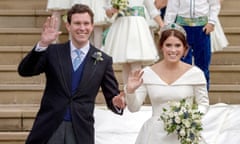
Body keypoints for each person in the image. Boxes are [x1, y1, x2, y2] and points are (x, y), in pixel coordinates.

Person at [18, 4, 125, 144]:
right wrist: (42, 44)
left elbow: (112, 97)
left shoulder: (103, 61)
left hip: (80, 130)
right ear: (68, 26)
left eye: (86, 23)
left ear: (92, 26)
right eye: (77, 23)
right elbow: (25, 71)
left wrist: (117, 102)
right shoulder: (53, 52)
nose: (82, 28)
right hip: (49, 127)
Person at [124, 23, 209, 144]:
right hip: (155, 136)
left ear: (185, 49)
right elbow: (134, 108)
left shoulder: (195, 73)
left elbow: (203, 104)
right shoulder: (147, 73)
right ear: (161, 47)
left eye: (177, 45)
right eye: (168, 45)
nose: (173, 50)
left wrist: (189, 117)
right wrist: (131, 91)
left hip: (184, 134)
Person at [104, 0, 164, 85]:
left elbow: (152, 10)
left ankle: (137, 94)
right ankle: (128, 93)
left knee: (136, 61)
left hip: (137, 27)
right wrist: (113, 10)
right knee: (126, 64)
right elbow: (108, 14)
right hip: (122, 26)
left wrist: (162, 25)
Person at [164, 0, 221, 90]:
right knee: (183, 63)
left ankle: (202, 95)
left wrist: (211, 22)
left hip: (202, 29)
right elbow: (172, 8)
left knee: (203, 62)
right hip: (183, 28)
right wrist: (168, 26)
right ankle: (183, 94)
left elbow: (214, 5)